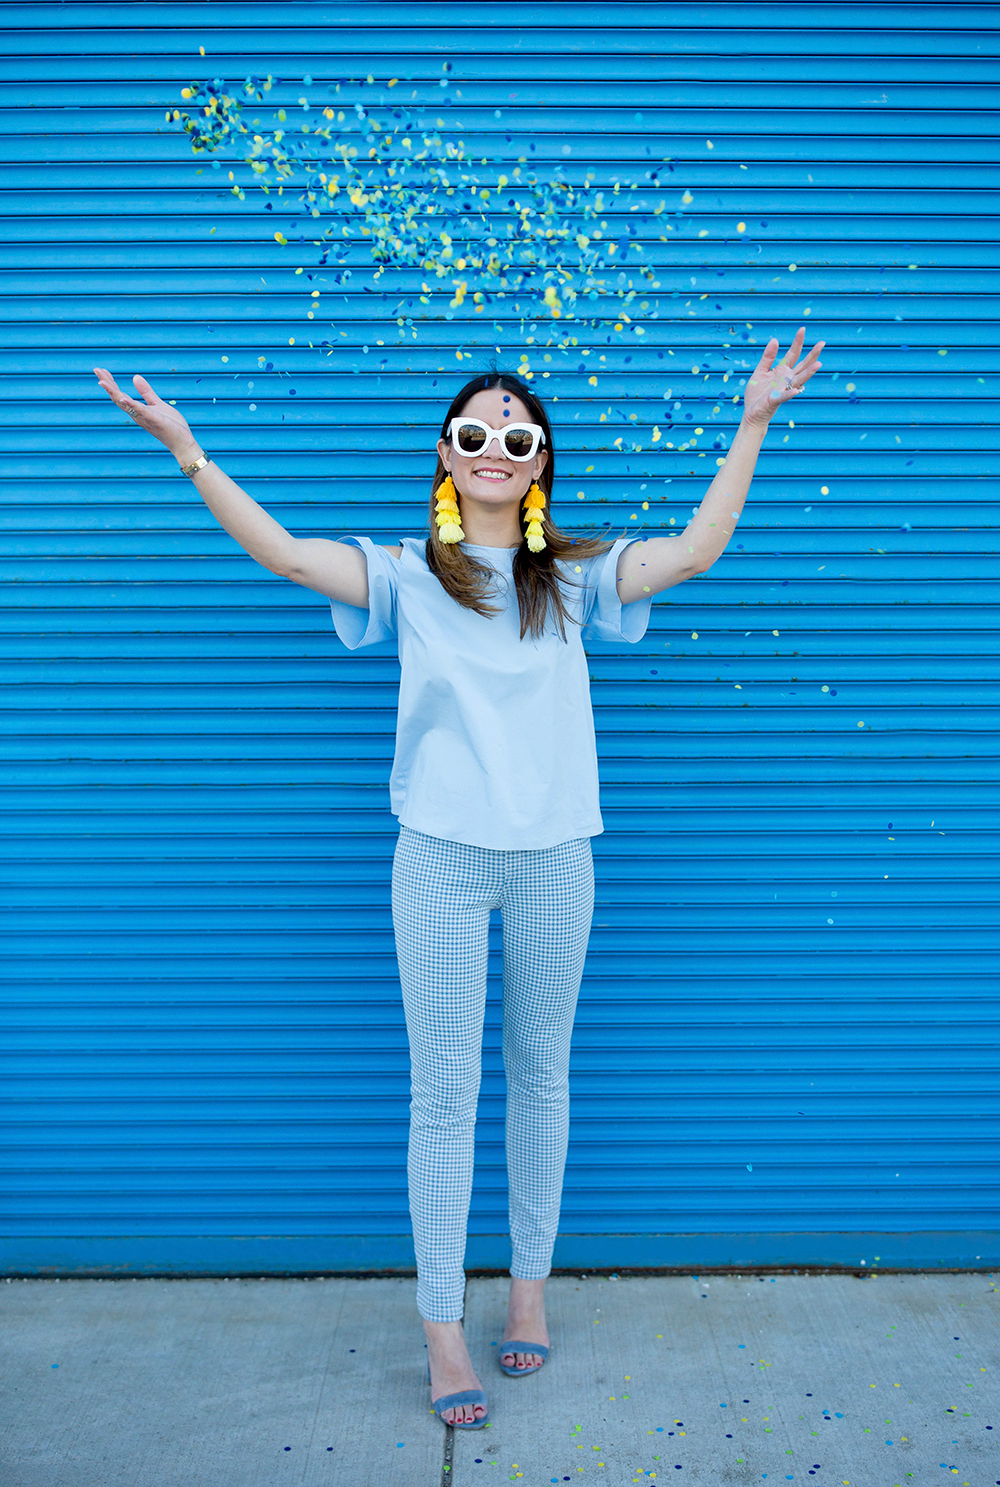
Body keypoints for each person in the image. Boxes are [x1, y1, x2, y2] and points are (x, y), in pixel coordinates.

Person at [93, 328, 823, 1429]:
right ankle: (442, 1330)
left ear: (538, 463)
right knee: (442, 1094)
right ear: (446, 452)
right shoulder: (401, 575)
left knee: (542, 1076)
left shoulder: (574, 578)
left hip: (555, 859)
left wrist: (754, 421)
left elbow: (697, 550)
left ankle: (526, 1289)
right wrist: (190, 453)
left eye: (515, 435)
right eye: (473, 432)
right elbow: (287, 555)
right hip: (436, 856)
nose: (494, 447)